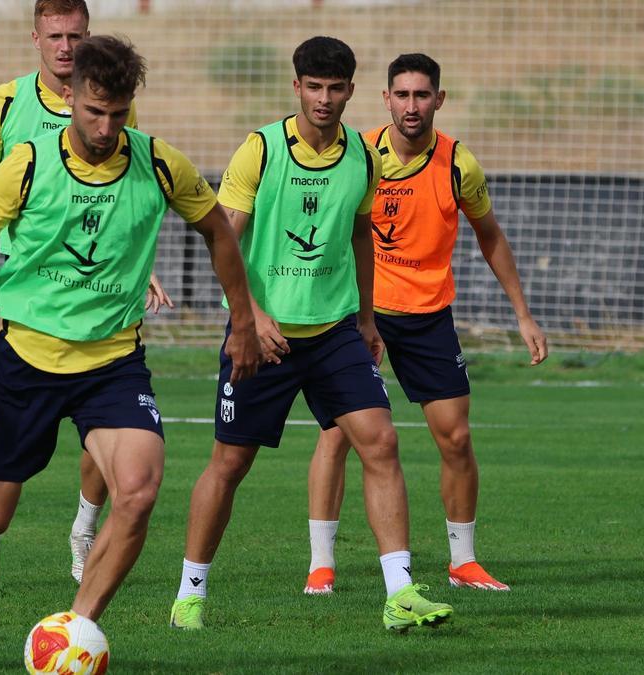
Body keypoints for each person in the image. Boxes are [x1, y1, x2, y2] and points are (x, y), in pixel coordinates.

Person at [0, 35, 260, 640]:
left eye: (118, 113)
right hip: (26, 361)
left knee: (138, 493)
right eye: (94, 111)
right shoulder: (28, 164)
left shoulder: (160, 163)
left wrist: (243, 322)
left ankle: (75, 631)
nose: (105, 126)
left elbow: (220, 232)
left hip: (112, 364)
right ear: (70, 96)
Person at [168, 37, 454, 633]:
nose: (324, 99)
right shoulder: (261, 150)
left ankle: (399, 593)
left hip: (334, 333)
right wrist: (251, 318)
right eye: (314, 87)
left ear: (350, 90)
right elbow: (224, 238)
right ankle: (190, 592)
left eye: (335, 88)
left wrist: (368, 319)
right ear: (297, 86)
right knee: (229, 463)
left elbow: (359, 234)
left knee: (381, 443)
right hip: (261, 334)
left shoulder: (363, 157)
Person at [302, 54, 547, 597]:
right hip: (356, 311)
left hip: (428, 316)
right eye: (402, 95)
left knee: (456, 437)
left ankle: (463, 561)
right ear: (385, 99)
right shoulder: (356, 155)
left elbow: (490, 235)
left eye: (422, 95)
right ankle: (322, 562)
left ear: (439, 99)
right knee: (338, 433)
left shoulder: (460, 164)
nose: (411, 106)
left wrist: (522, 314)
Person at [0, 0, 150, 591]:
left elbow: (127, 194)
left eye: (76, 35)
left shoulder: (107, 100)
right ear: (35, 38)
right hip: (27, 281)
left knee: (113, 422)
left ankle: (84, 529)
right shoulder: (4, 104)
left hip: (100, 284)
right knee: (10, 442)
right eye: (56, 35)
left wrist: (142, 266)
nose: (66, 46)